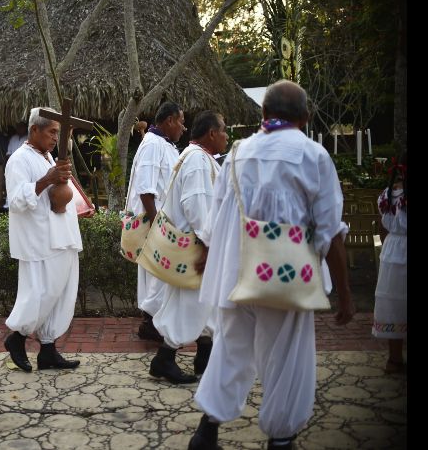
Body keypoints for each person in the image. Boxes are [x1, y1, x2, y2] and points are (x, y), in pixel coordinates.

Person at [188, 80, 356, 450]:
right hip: (287, 275)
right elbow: (331, 232)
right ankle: (281, 438)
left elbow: (217, 220)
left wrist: (208, 260)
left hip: (235, 271)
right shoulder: (314, 156)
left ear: (263, 113)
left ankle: (206, 432)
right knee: (287, 357)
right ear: (307, 117)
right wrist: (344, 292)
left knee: (231, 349)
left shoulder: (235, 153)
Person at [2, 107, 85, 372]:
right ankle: (17, 338)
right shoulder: (19, 160)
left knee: (61, 294)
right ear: (34, 130)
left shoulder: (49, 157)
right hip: (39, 240)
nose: (54, 138)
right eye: (51, 132)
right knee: (40, 293)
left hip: (62, 236)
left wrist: (82, 204)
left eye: (57, 133)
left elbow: (62, 191)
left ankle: (48, 350)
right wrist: (46, 179)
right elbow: (15, 201)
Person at [150, 111, 228, 385]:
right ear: (211, 134)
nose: (227, 136)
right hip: (196, 246)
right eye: (224, 131)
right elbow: (196, 206)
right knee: (190, 304)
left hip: (196, 244)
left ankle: (204, 356)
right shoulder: (196, 159)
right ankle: (165, 357)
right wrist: (208, 245)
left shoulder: (195, 156)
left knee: (204, 303)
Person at [126, 102, 186, 341]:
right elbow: (146, 189)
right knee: (157, 276)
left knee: (158, 277)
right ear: (170, 120)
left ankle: (153, 324)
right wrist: (157, 225)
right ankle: (152, 323)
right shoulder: (153, 145)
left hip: (162, 221)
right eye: (181, 121)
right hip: (156, 222)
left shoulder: (163, 144)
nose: (183, 127)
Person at [372, 152, 407, 374]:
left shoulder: (387, 194)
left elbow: (383, 228)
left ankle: (394, 359)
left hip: (392, 249)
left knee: (395, 304)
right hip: (399, 247)